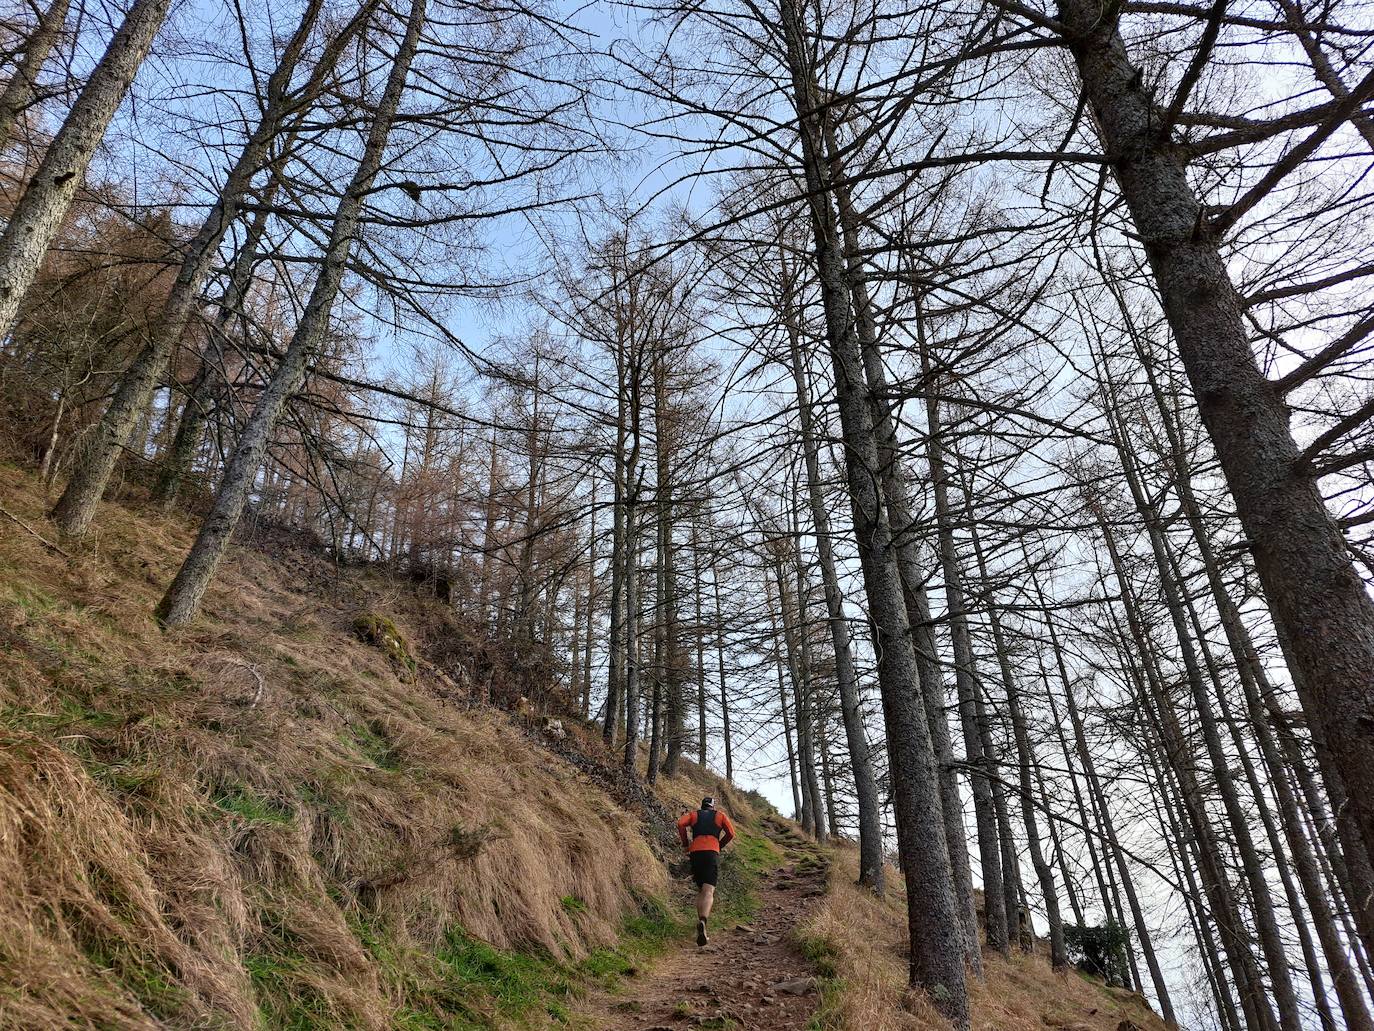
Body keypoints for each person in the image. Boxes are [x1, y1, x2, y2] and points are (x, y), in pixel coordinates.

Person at [675, 795, 736, 946]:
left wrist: (685, 843)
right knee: (708, 891)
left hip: (695, 853)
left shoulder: (694, 815)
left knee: (701, 890)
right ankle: (703, 921)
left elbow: (680, 824)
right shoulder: (720, 816)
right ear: (713, 806)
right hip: (711, 853)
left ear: (702, 806)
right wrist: (719, 845)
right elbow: (731, 834)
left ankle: (701, 926)